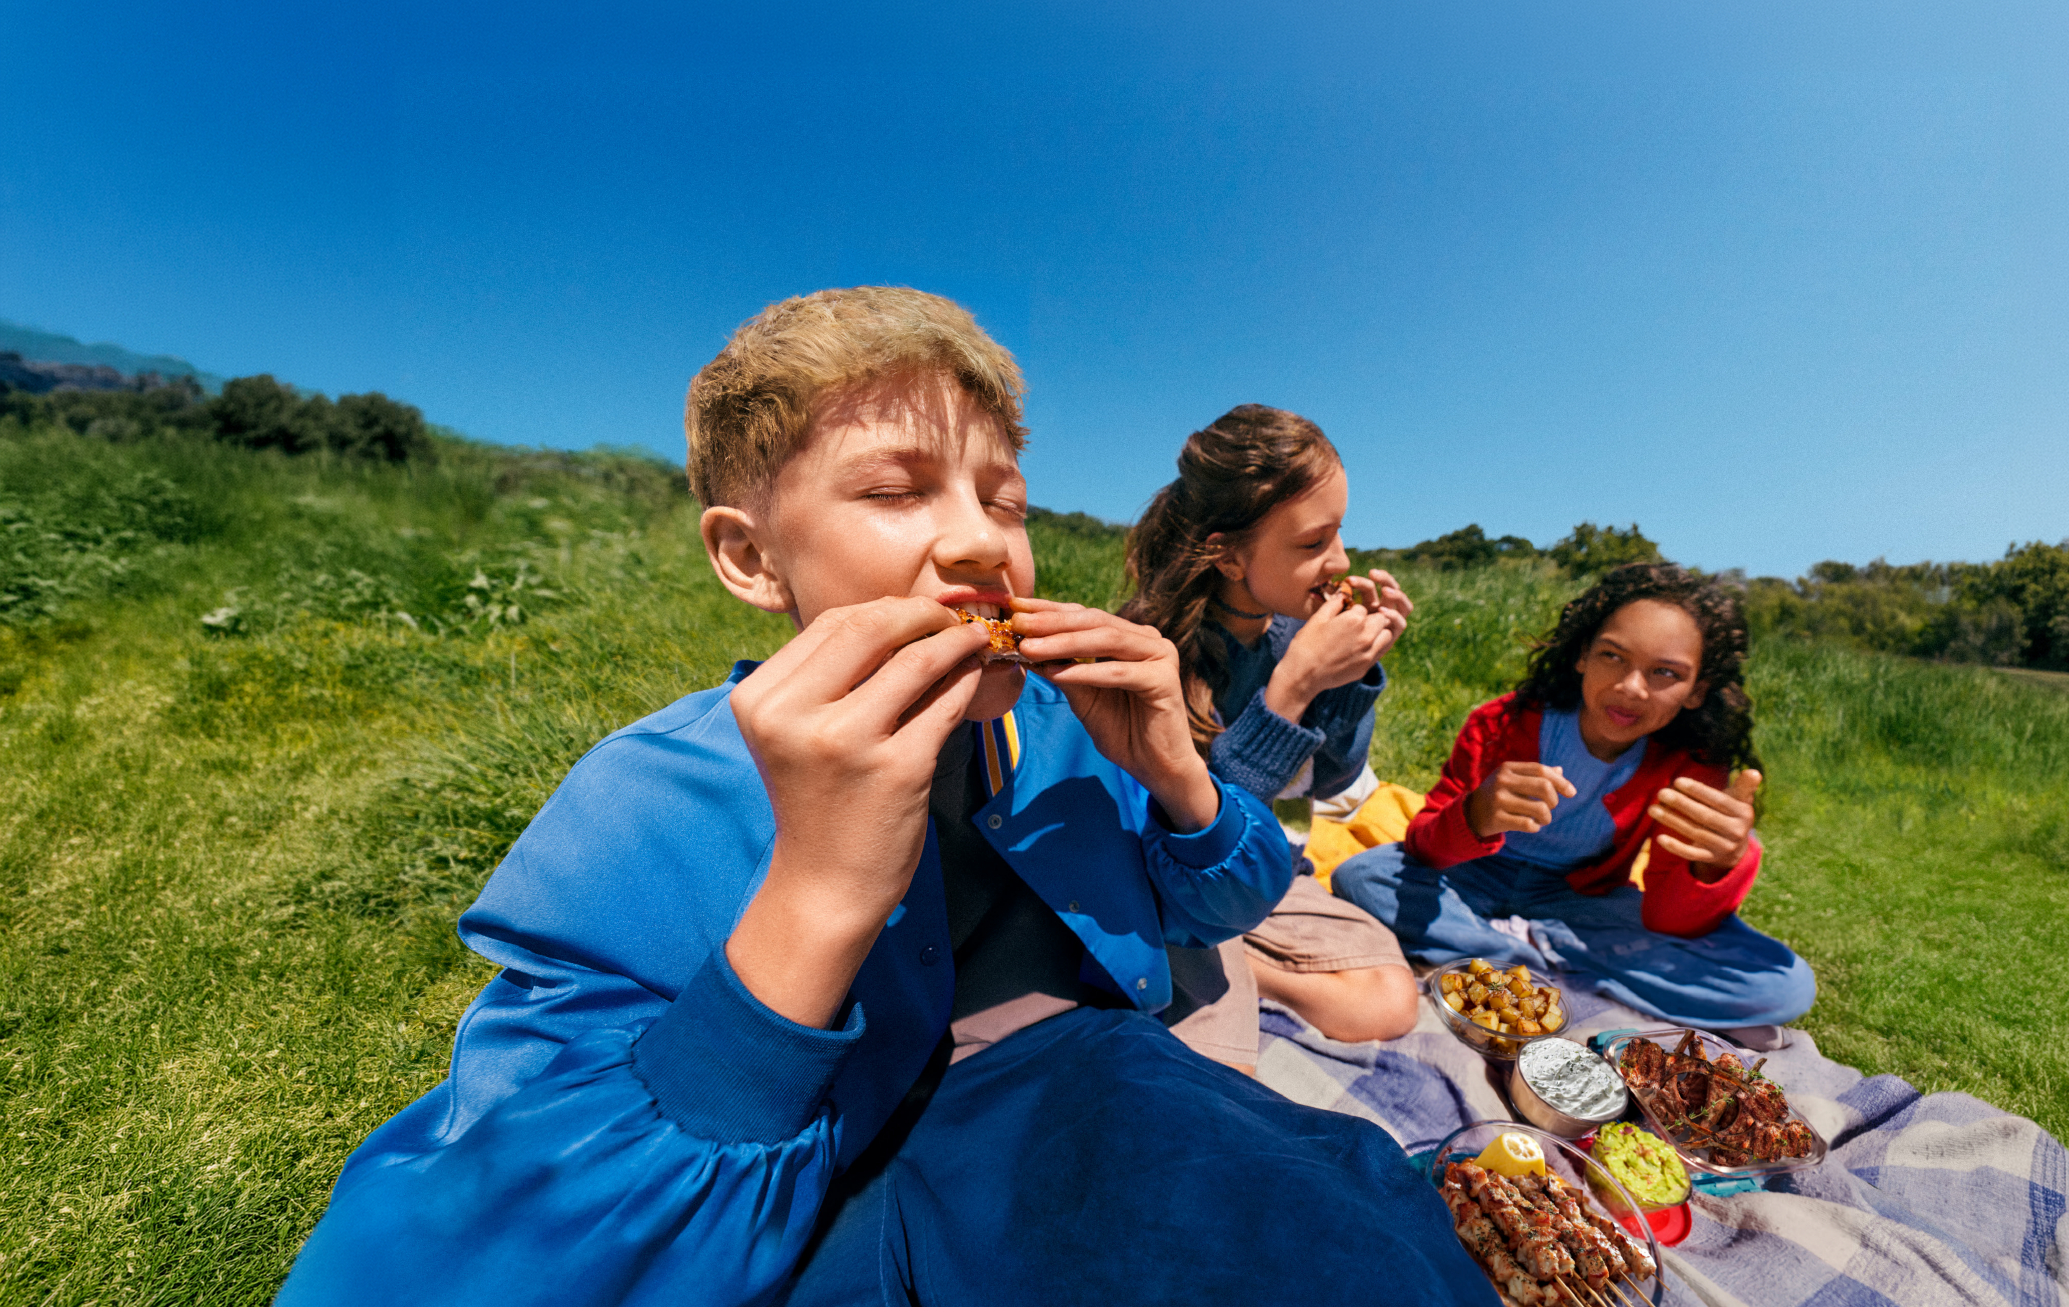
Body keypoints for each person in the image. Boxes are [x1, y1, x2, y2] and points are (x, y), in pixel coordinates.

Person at [278, 289, 1479, 1307]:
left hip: (1110, 1069)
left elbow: (1215, 907)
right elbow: (458, 1255)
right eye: (898, 493)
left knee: (1370, 1204)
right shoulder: (651, 799)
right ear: (753, 559)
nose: (981, 547)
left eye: (1002, 499)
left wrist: (1176, 777)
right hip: (905, 1178)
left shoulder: (1059, 721)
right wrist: (821, 885)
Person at [1332, 562, 1816, 1035]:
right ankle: (1548, 967)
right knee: (1362, 875)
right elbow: (1423, 845)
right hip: (1468, 880)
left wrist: (1718, 866)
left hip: (1577, 901)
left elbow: (1667, 917)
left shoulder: (1690, 767)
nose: (1630, 687)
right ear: (1582, 655)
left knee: (1786, 985)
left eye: (1665, 672)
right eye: (1612, 656)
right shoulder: (1499, 724)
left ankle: (1516, 951)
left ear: (1696, 691)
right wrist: (1474, 815)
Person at [1121, 405, 1421, 1049]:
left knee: (1394, 1001)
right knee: (1212, 1059)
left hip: (1277, 880)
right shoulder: (1152, 655)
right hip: (1179, 893)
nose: (1340, 562)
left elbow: (1330, 779)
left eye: (1340, 535)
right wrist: (1289, 695)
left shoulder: (1293, 638)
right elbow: (1188, 837)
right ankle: (1212, 976)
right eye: (1313, 544)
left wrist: (1348, 683)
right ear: (1228, 557)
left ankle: (1254, 975)